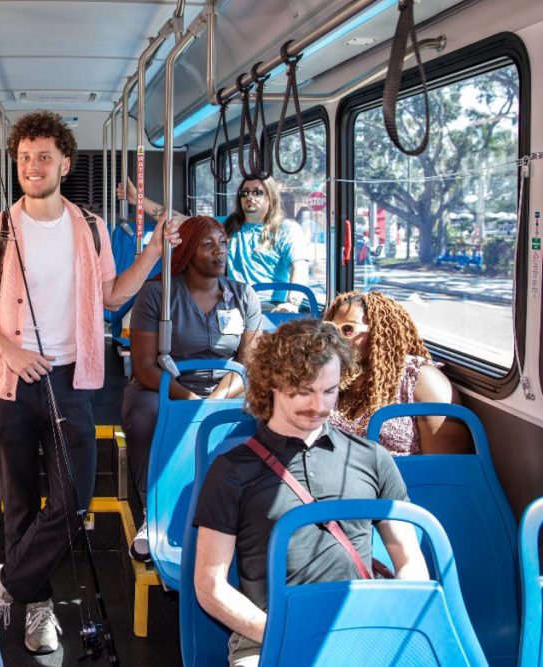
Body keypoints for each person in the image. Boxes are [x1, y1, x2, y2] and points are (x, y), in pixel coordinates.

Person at [0, 110, 179, 654]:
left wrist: (153, 251)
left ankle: (6, 586)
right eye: (24, 158)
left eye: (43, 157)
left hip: (71, 376)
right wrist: (10, 350)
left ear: (65, 164)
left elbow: (112, 296)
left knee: (74, 500)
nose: (32, 166)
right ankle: (37, 609)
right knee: (18, 500)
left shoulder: (90, 228)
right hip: (11, 381)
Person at [192, 319, 429, 666]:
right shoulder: (232, 470)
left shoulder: (373, 458)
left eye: (329, 391)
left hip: (359, 629)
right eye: (304, 390)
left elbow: (409, 561)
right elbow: (210, 586)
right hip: (268, 634)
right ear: (273, 382)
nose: (319, 405)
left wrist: (386, 621)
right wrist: (283, 633)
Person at [121, 215, 261, 562]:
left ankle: (248, 512)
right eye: (208, 244)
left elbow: (248, 363)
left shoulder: (243, 296)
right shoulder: (157, 294)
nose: (219, 251)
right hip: (167, 386)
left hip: (227, 387)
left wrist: (215, 400)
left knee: (266, 415)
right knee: (147, 413)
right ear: (185, 251)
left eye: (223, 243)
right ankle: (154, 511)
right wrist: (192, 400)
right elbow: (145, 367)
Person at [324, 291, 472, 455]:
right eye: (331, 329)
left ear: (379, 333)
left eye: (348, 329)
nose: (336, 338)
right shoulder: (329, 373)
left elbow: (447, 463)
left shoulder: (419, 379)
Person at [223, 176, 310, 312]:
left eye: (257, 192)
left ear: (270, 197)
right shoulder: (229, 227)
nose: (249, 197)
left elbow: (299, 267)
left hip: (269, 306)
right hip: (233, 306)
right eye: (244, 192)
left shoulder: (286, 229)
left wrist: (293, 302)